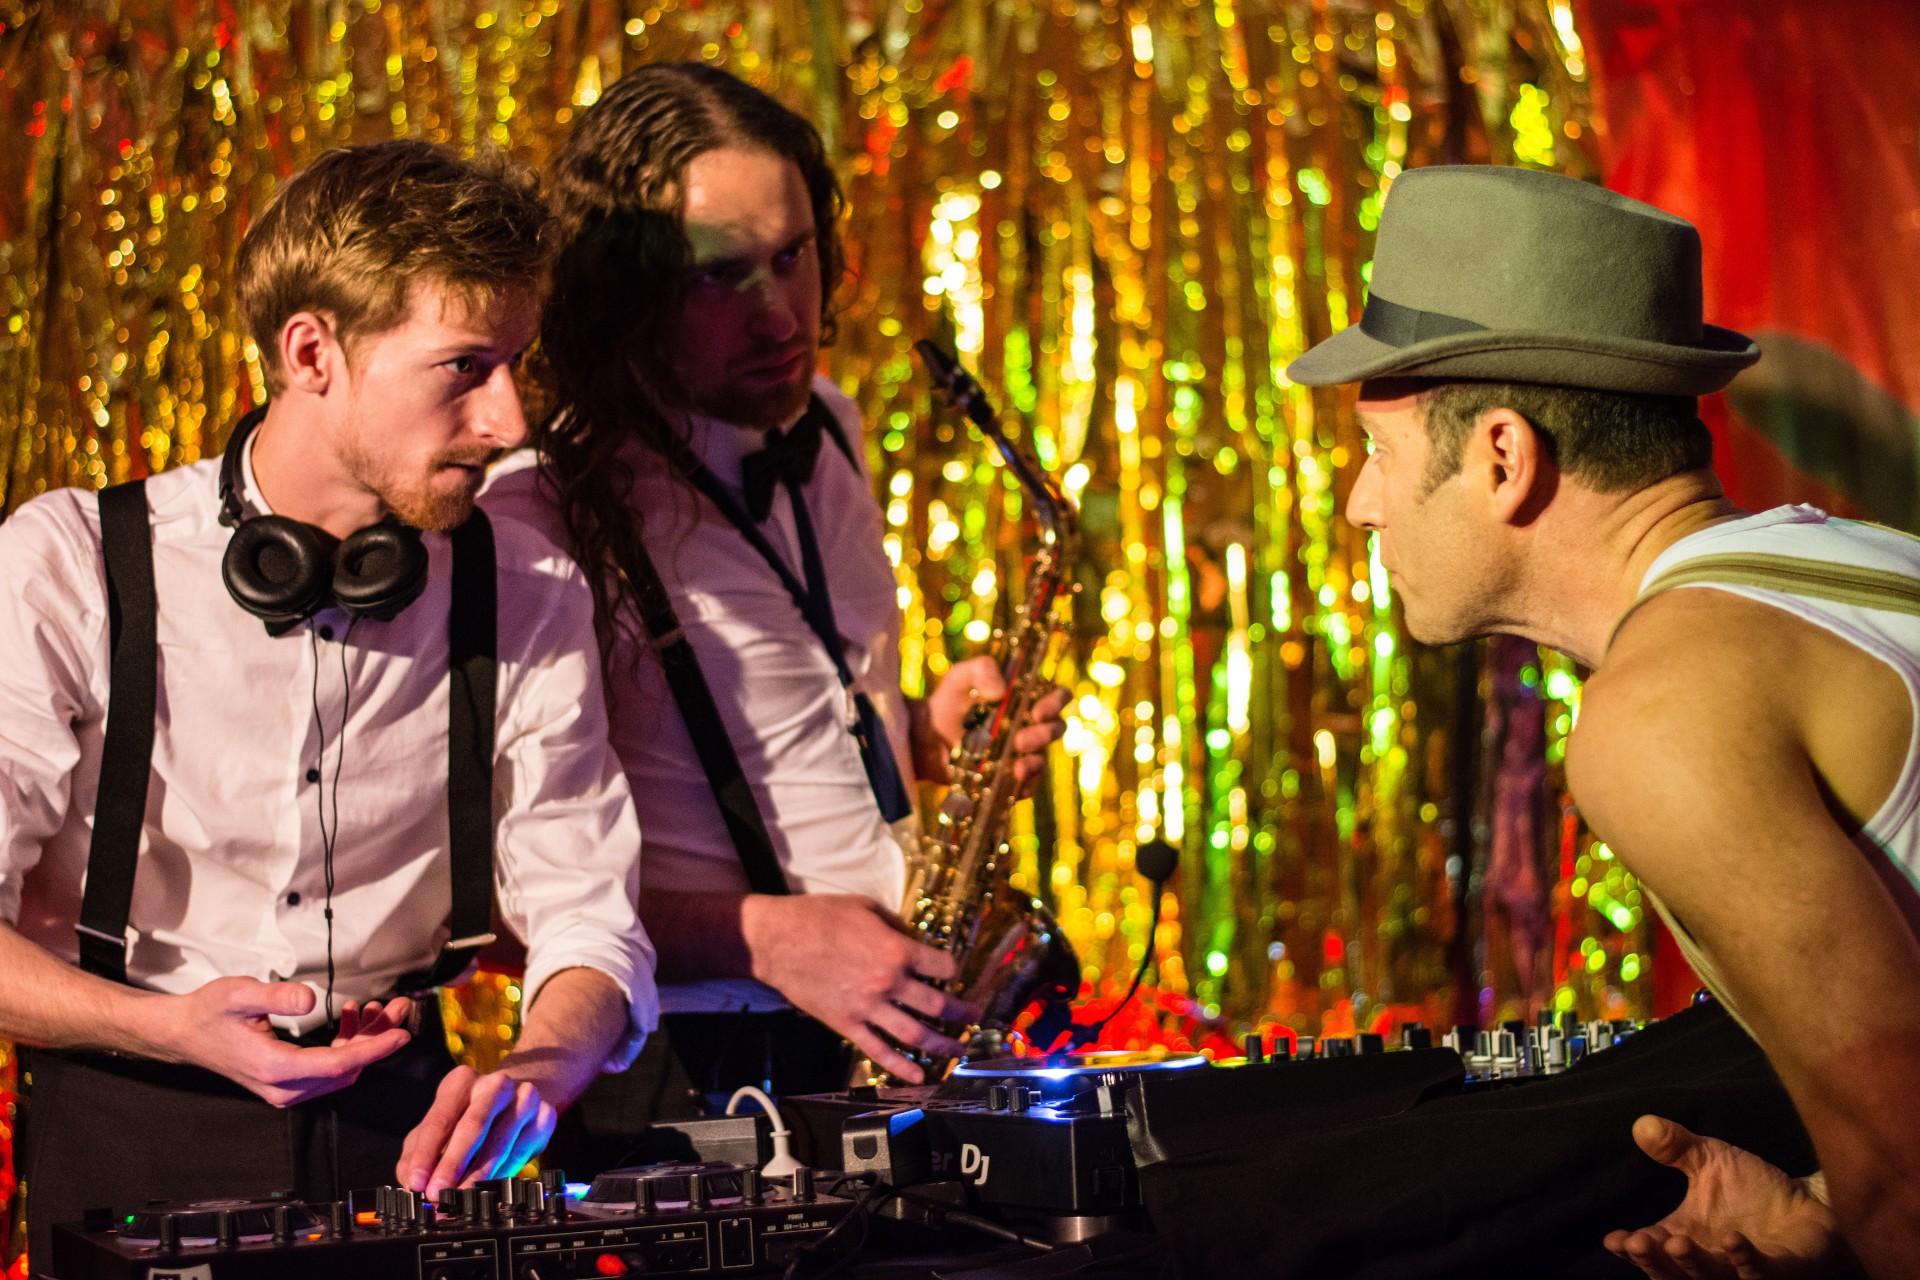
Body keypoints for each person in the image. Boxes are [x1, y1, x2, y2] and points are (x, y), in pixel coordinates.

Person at [0, 140, 657, 1269]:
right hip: (129, 1121)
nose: (508, 418)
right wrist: (170, 1024)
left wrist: (544, 1067)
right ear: (313, 350)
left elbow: (591, 912)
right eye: (464, 368)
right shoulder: (71, 564)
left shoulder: (528, 585)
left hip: (409, 1134)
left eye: (516, 364)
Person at [1287, 165, 1917, 1276]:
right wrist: (1829, 1202)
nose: (1359, 503)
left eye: (1378, 454)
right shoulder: (1849, 558)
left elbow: (1910, 1172)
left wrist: (1872, 1193)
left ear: (1502, 456)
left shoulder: (1663, 711)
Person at [480, 63, 1067, 1141]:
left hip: (870, 1043)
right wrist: (771, 939)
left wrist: (933, 736)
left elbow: (806, 727)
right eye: (720, 276)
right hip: (678, 1068)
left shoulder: (829, 427)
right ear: (626, 288)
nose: (778, 314)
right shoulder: (538, 513)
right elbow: (500, 899)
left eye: (792, 257)